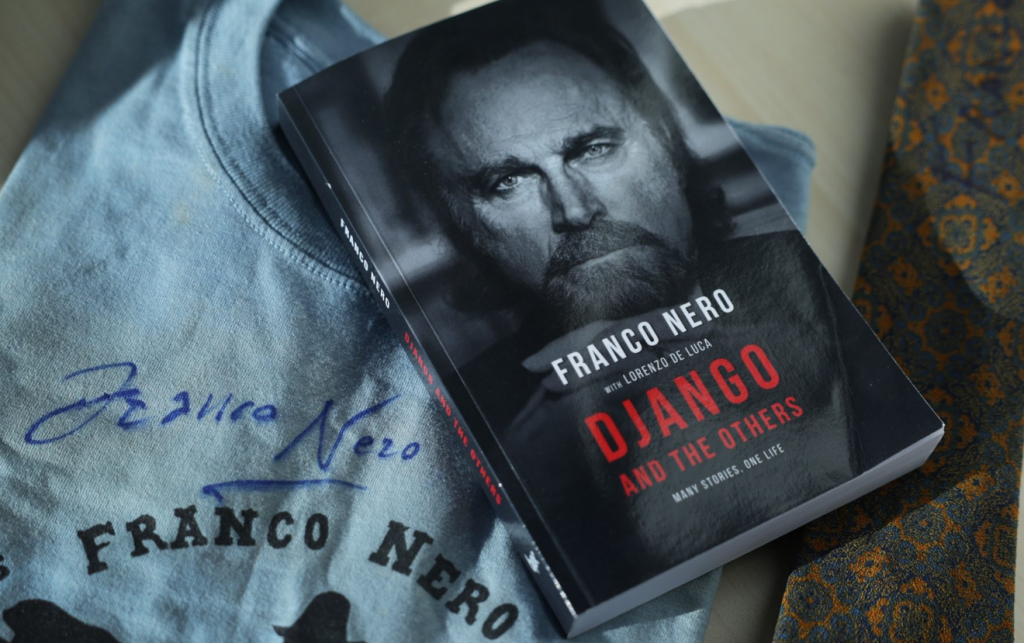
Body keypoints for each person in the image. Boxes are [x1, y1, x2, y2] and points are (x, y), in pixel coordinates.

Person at [383, 0, 859, 602]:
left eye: (594, 148)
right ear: (463, 229)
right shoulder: (470, 435)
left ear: (667, 141)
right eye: (507, 182)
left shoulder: (817, 289)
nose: (575, 209)